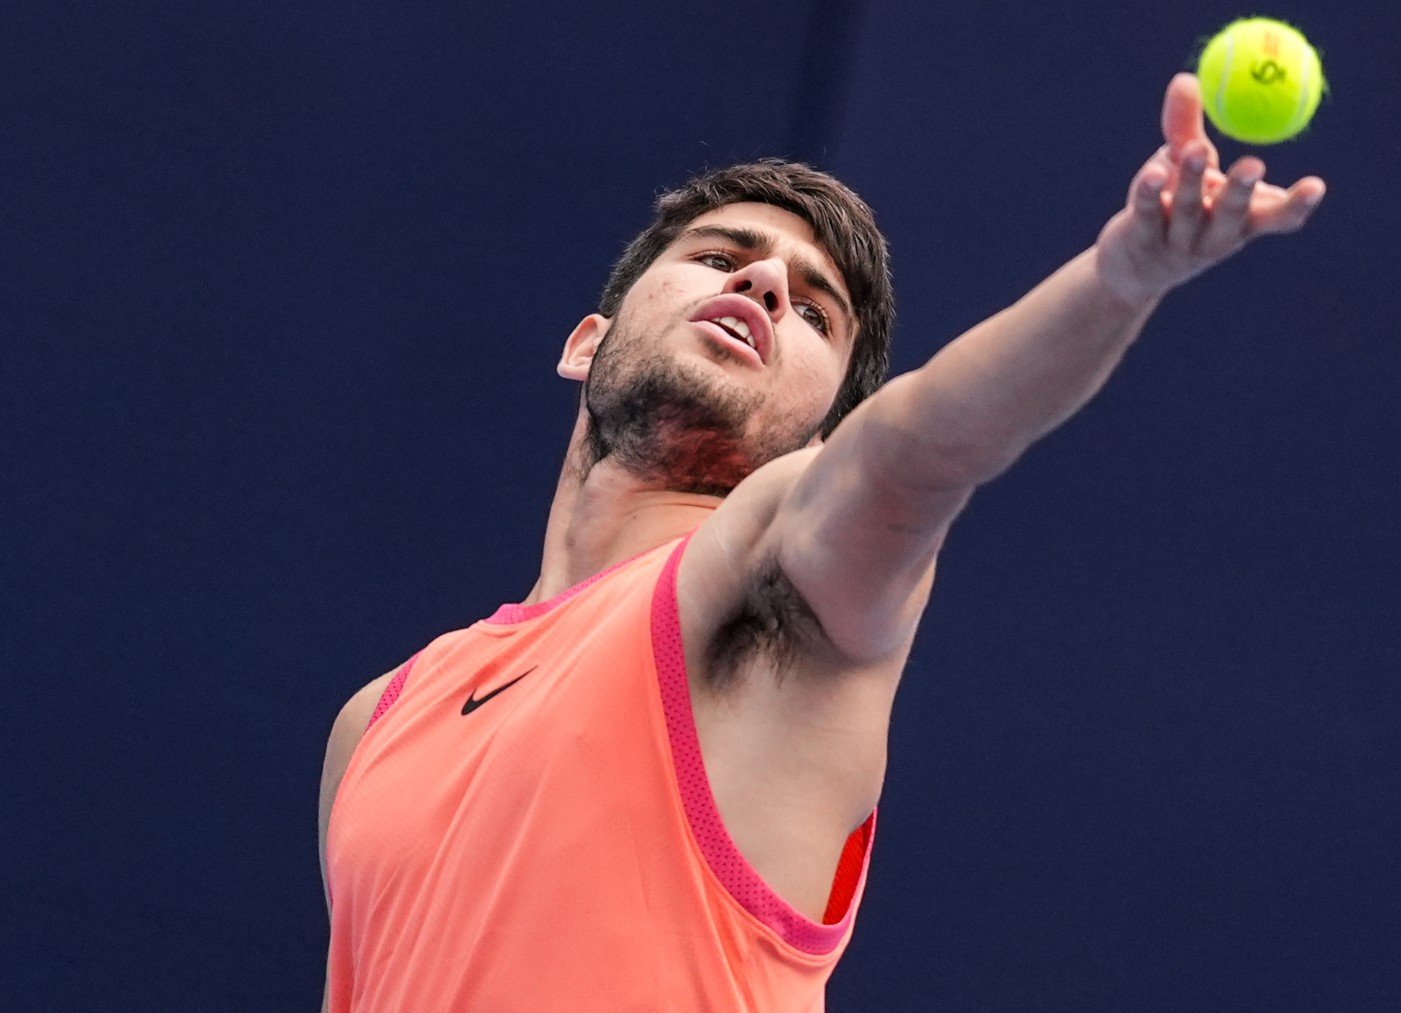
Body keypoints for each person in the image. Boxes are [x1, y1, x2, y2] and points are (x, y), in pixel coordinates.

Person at [317, 71, 1326, 1011]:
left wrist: (1122, 277)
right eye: (719, 257)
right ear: (589, 341)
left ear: (816, 432)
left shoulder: (767, 583)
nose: (762, 285)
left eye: (814, 310)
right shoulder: (380, 716)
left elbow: (918, 452)